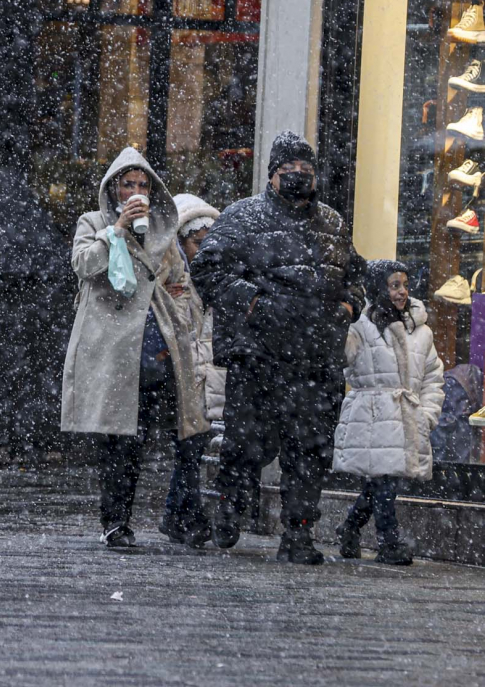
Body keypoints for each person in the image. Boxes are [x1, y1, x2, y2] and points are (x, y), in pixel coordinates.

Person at [191, 130, 366, 565]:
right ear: (272, 175)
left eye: (305, 169)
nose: (298, 176)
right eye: (289, 169)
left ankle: (299, 535)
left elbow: (357, 275)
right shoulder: (243, 216)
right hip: (261, 357)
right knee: (246, 446)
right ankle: (229, 508)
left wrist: (349, 305)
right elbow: (208, 269)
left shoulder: (333, 222)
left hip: (318, 359)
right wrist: (252, 303)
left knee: (310, 452)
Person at [61, 147, 209, 548]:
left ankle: (180, 514)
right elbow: (84, 266)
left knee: (182, 434)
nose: (136, 191)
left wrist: (176, 316)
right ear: (113, 189)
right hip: (113, 349)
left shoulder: (164, 227)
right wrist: (118, 232)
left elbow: (182, 285)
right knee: (118, 442)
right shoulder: (92, 222)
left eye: (143, 184)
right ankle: (116, 522)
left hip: (157, 349)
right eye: (128, 184)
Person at [333, 260, 443, 565]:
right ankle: (389, 540)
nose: (402, 292)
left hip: (405, 417)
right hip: (373, 418)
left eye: (405, 285)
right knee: (383, 481)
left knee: (382, 482)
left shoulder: (420, 330)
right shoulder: (361, 326)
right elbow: (340, 356)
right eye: (394, 285)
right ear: (380, 288)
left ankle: (350, 527)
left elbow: (434, 376)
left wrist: (427, 414)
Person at [159, 193, 224, 548]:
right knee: (189, 447)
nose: (204, 249)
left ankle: (179, 514)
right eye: (198, 242)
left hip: (205, 373)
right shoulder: (172, 273)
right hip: (182, 371)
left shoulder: (215, 275)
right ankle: (186, 514)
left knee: (193, 448)